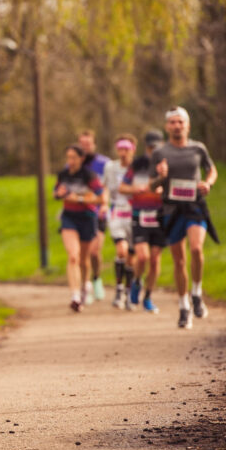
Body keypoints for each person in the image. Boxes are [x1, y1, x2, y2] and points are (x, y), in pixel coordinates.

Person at [149, 107, 219, 329]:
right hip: (171, 210)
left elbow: (212, 170)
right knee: (179, 261)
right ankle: (183, 307)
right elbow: (151, 185)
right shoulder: (160, 153)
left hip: (194, 205)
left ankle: (197, 293)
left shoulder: (198, 148)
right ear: (166, 126)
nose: (177, 126)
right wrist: (161, 177)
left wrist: (208, 183)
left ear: (187, 125)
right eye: (172, 122)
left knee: (196, 249)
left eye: (180, 122)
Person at [55, 145, 107, 312]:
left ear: (81, 159)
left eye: (73, 157)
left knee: (84, 260)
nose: (70, 161)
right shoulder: (63, 175)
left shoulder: (89, 176)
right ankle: (75, 296)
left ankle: (85, 285)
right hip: (69, 218)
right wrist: (59, 194)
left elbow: (101, 198)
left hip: (87, 218)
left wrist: (79, 199)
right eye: (68, 157)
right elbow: (56, 192)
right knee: (73, 256)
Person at [119, 130, 166, 313]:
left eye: (156, 147)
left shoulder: (166, 165)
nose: (153, 151)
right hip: (140, 215)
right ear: (146, 147)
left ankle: (148, 297)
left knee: (154, 260)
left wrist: (164, 191)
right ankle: (136, 282)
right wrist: (135, 189)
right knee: (142, 256)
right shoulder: (137, 165)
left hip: (160, 216)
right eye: (150, 147)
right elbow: (122, 187)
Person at [102, 134, 137, 309]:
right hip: (117, 211)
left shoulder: (138, 167)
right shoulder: (110, 167)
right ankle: (119, 288)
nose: (123, 152)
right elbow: (106, 188)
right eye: (120, 149)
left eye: (126, 149)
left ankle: (129, 291)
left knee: (132, 256)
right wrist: (104, 204)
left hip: (134, 213)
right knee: (121, 250)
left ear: (133, 150)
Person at [78, 129, 110, 303]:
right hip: (80, 214)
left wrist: (104, 204)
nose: (85, 147)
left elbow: (108, 187)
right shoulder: (74, 163)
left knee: (95, 252)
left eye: (88, 144)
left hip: (98, 212)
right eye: (82, 144)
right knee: (83, 254)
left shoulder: (104, 164)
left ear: (94, 144)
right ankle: (86, 285)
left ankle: (97, 278)